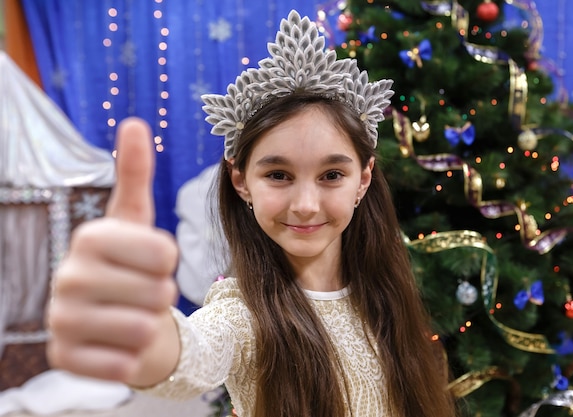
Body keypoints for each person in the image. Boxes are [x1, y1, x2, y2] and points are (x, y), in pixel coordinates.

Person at [46, 10, 457, 417]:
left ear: (363, 179)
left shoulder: (385, 294)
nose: (306, 204)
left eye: (332, 174)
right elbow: (192, 353)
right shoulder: (242, 315)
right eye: (278, 175)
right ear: (242, 182)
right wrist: (140, 334)